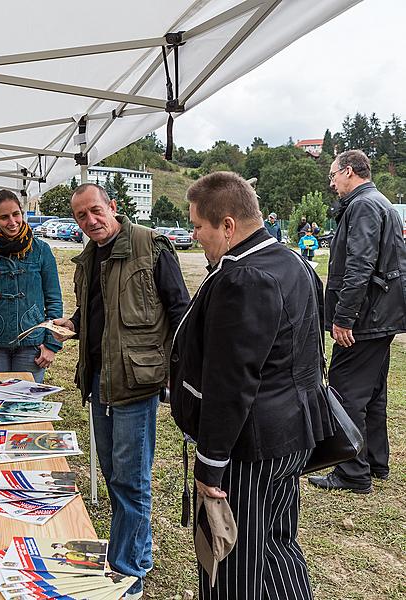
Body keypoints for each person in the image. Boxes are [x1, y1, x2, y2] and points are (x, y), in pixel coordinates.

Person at [171, 171, 332, 599]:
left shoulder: (244, 276)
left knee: (232, 563)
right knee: (277, 548)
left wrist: (210, 463)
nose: (194, 234)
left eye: (198, 226)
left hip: (250, 447)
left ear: (227, 225)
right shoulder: (290, 259)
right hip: (290, 435)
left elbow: (231, 381)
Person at [51, 183, 190, 600]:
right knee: (113, 473)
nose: (90, 221)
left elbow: (181, 311)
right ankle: (137, 550)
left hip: (136, 381)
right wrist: (73, 325)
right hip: (97, 379)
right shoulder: (88, 258)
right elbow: (96, 310)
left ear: (113, 207)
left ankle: (129, 572)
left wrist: (174, 373)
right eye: (80, 216)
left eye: (95, 211)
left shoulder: (152, 246)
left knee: (131, 479)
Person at [308, 149, 406, 493]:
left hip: (364, 318)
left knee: (346, 390)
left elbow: (360, 266)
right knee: (373, 393)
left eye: (333, 174)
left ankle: (353, 472)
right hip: (382, 315)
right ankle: (376, 463)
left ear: (349, 171)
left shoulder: (363, 205)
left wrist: (343, 318)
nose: (332, 182)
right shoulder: (382, 202)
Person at [0, 189, 63, 383]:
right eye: (4, 217)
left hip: (32, 343)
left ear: (22, 213)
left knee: (25, 405)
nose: (12, 222)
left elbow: (54, 301)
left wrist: (51, 344)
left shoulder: (41, 250)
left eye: (16, 214)